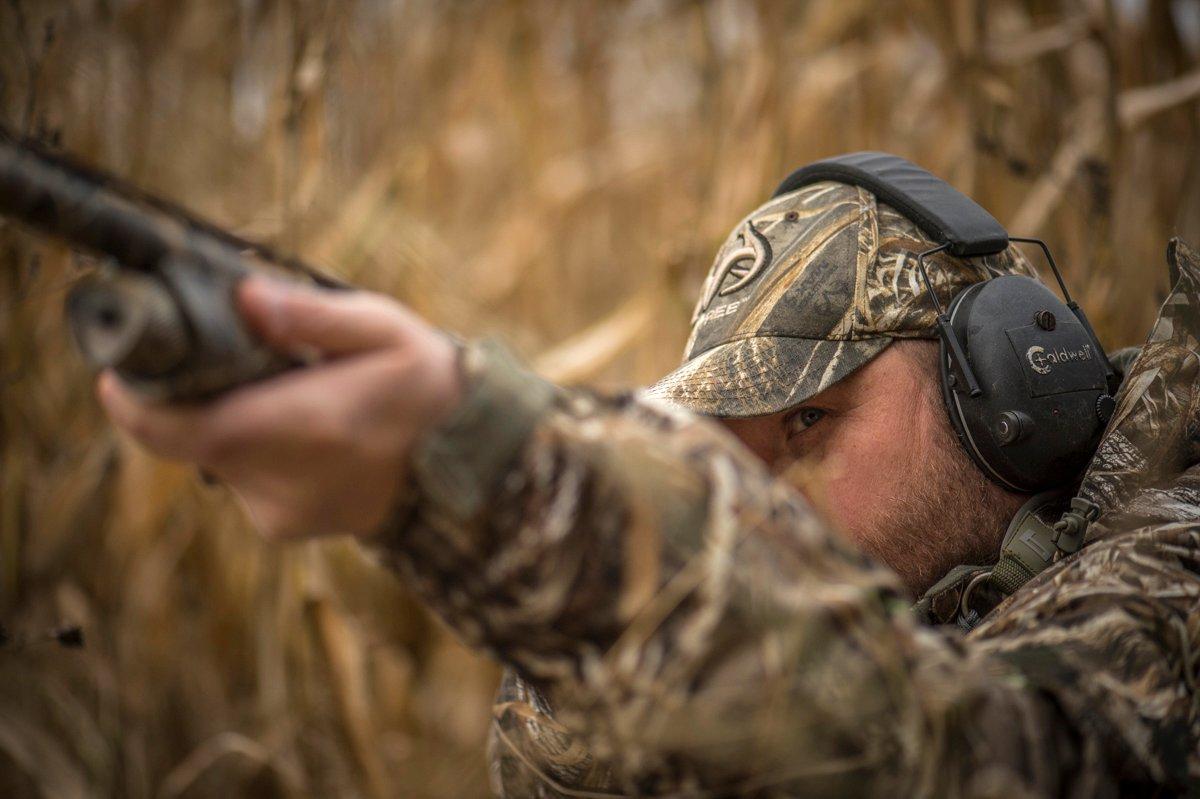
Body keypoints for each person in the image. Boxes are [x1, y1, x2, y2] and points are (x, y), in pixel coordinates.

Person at [97, 175, 1200, 796]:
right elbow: (552, 763)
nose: (769, 491)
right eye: (727, 446)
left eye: (808, 419)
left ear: (1010, 383)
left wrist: (490, 475)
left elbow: (987, 756)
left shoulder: (1173, 555)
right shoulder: (897, 607)